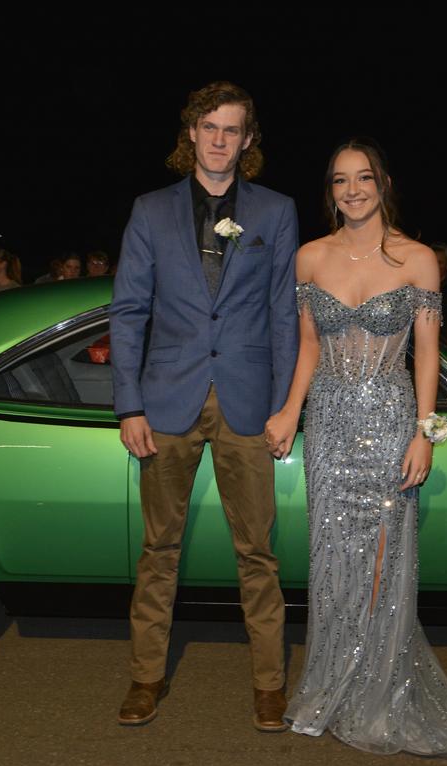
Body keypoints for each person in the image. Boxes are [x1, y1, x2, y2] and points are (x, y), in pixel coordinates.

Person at [264, 139, 447, 758]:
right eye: (339, 181)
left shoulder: (417, 260)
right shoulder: (309, 258)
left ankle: (378, 694)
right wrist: (289, 409)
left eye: (363, 179)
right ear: (330, 191)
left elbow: (427, 352)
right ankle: (330, 686)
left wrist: (424, 433)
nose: (351, 190)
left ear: (383, 184)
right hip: (327, 422)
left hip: (389, 419)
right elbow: (308, 347)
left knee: (382, 561)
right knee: (331, 560)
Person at [109, 81, 299, 731]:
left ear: (248, 141)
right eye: (209, 127)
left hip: (248, 405)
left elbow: (282, 315)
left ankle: (269, 686)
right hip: (166, 402)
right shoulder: (150, 210)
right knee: (158, 550)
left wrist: (284, 408)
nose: (220, 140)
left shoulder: (275, 212)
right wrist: (129, 404)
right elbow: (129, 311)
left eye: (232, 130)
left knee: (258, 553)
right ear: (191, 131)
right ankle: (144, 678)